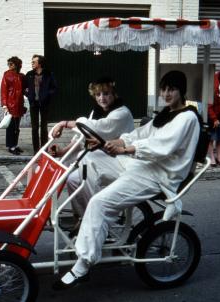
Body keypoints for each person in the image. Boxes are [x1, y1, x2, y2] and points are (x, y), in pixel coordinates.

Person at [53, 70, 201, 290]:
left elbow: (163, 146)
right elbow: (142, 133)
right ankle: (92, 224)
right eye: (164, 89)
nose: (167, 94)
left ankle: (83, 265)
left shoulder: (187, 117)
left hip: (159, 175)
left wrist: (128, 148)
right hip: (141, 164)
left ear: (181, 91)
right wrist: (118, 142)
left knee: (99, 202)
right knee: (89, 159)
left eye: (172, 89)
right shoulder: (166, 113)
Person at [50, 77, 134, 218]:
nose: (102, 98)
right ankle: (83, 217)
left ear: (114, 94)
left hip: (119, 160)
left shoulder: (121, 113)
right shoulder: (97, 112)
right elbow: (83, 138)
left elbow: (93, 127)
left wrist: (64, 123)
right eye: (98, 94)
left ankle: (96, 216)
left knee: (87, 157)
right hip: (103, 157)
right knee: (73, 179)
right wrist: (62, 153)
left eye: (106, 93)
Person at [25, 55, 57, 153]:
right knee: (34, 128)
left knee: (44, 127)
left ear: (39, 63)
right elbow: (25, 88)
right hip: (33, 103)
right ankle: (36, 150)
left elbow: (54, 88)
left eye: (34, 62)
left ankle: (44, 149)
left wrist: (47, 95)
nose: (32, 63)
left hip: (44, 103)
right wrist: (29, 95)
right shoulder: (29, 74)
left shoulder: (48, 74)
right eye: (32, 62)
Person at [0, 56, 26, 155]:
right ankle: (11, 146)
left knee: (16, 127)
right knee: (11, 126)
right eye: (8, 64)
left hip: (19, 104)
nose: (9, 66)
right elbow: (3, 90)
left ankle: (15, 144)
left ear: (17, 65)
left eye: (11, 64)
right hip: (10, 104)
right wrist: (4, 105)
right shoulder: (6, 75)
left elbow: (25, 88)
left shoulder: (21, 76)